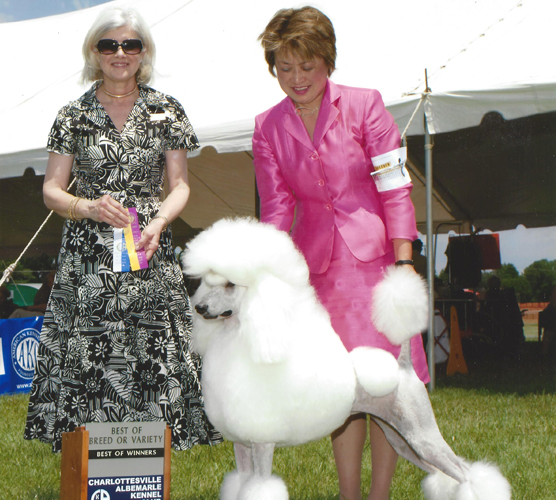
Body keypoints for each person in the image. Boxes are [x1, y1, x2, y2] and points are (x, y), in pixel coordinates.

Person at [24, 7, 222, 452]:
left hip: (147, 250)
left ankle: (145, 468)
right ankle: (94, 467)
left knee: (151, 360)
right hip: (88, 260)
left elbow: (180, 187)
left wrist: (158, 222)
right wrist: (87, 206)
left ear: (143, 52)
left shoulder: (166, 109)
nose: (120, 53)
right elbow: (52, 191)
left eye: (130, 44)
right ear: (94, 52)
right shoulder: (72, 114)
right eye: (109, 44)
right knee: (91, 358)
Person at [253, 7, 429, 500]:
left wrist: (403, 260)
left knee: (385, 388)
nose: (296, 78)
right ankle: (348, 495)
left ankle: (380, 496)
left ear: (326, 61)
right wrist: (269, 275)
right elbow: (276, 208)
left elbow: (395, 188)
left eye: (305, 66)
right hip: (318, 277)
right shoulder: (267, 127)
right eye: (284, 68)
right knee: (341, 389)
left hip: (375, 269)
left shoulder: (365, 105)